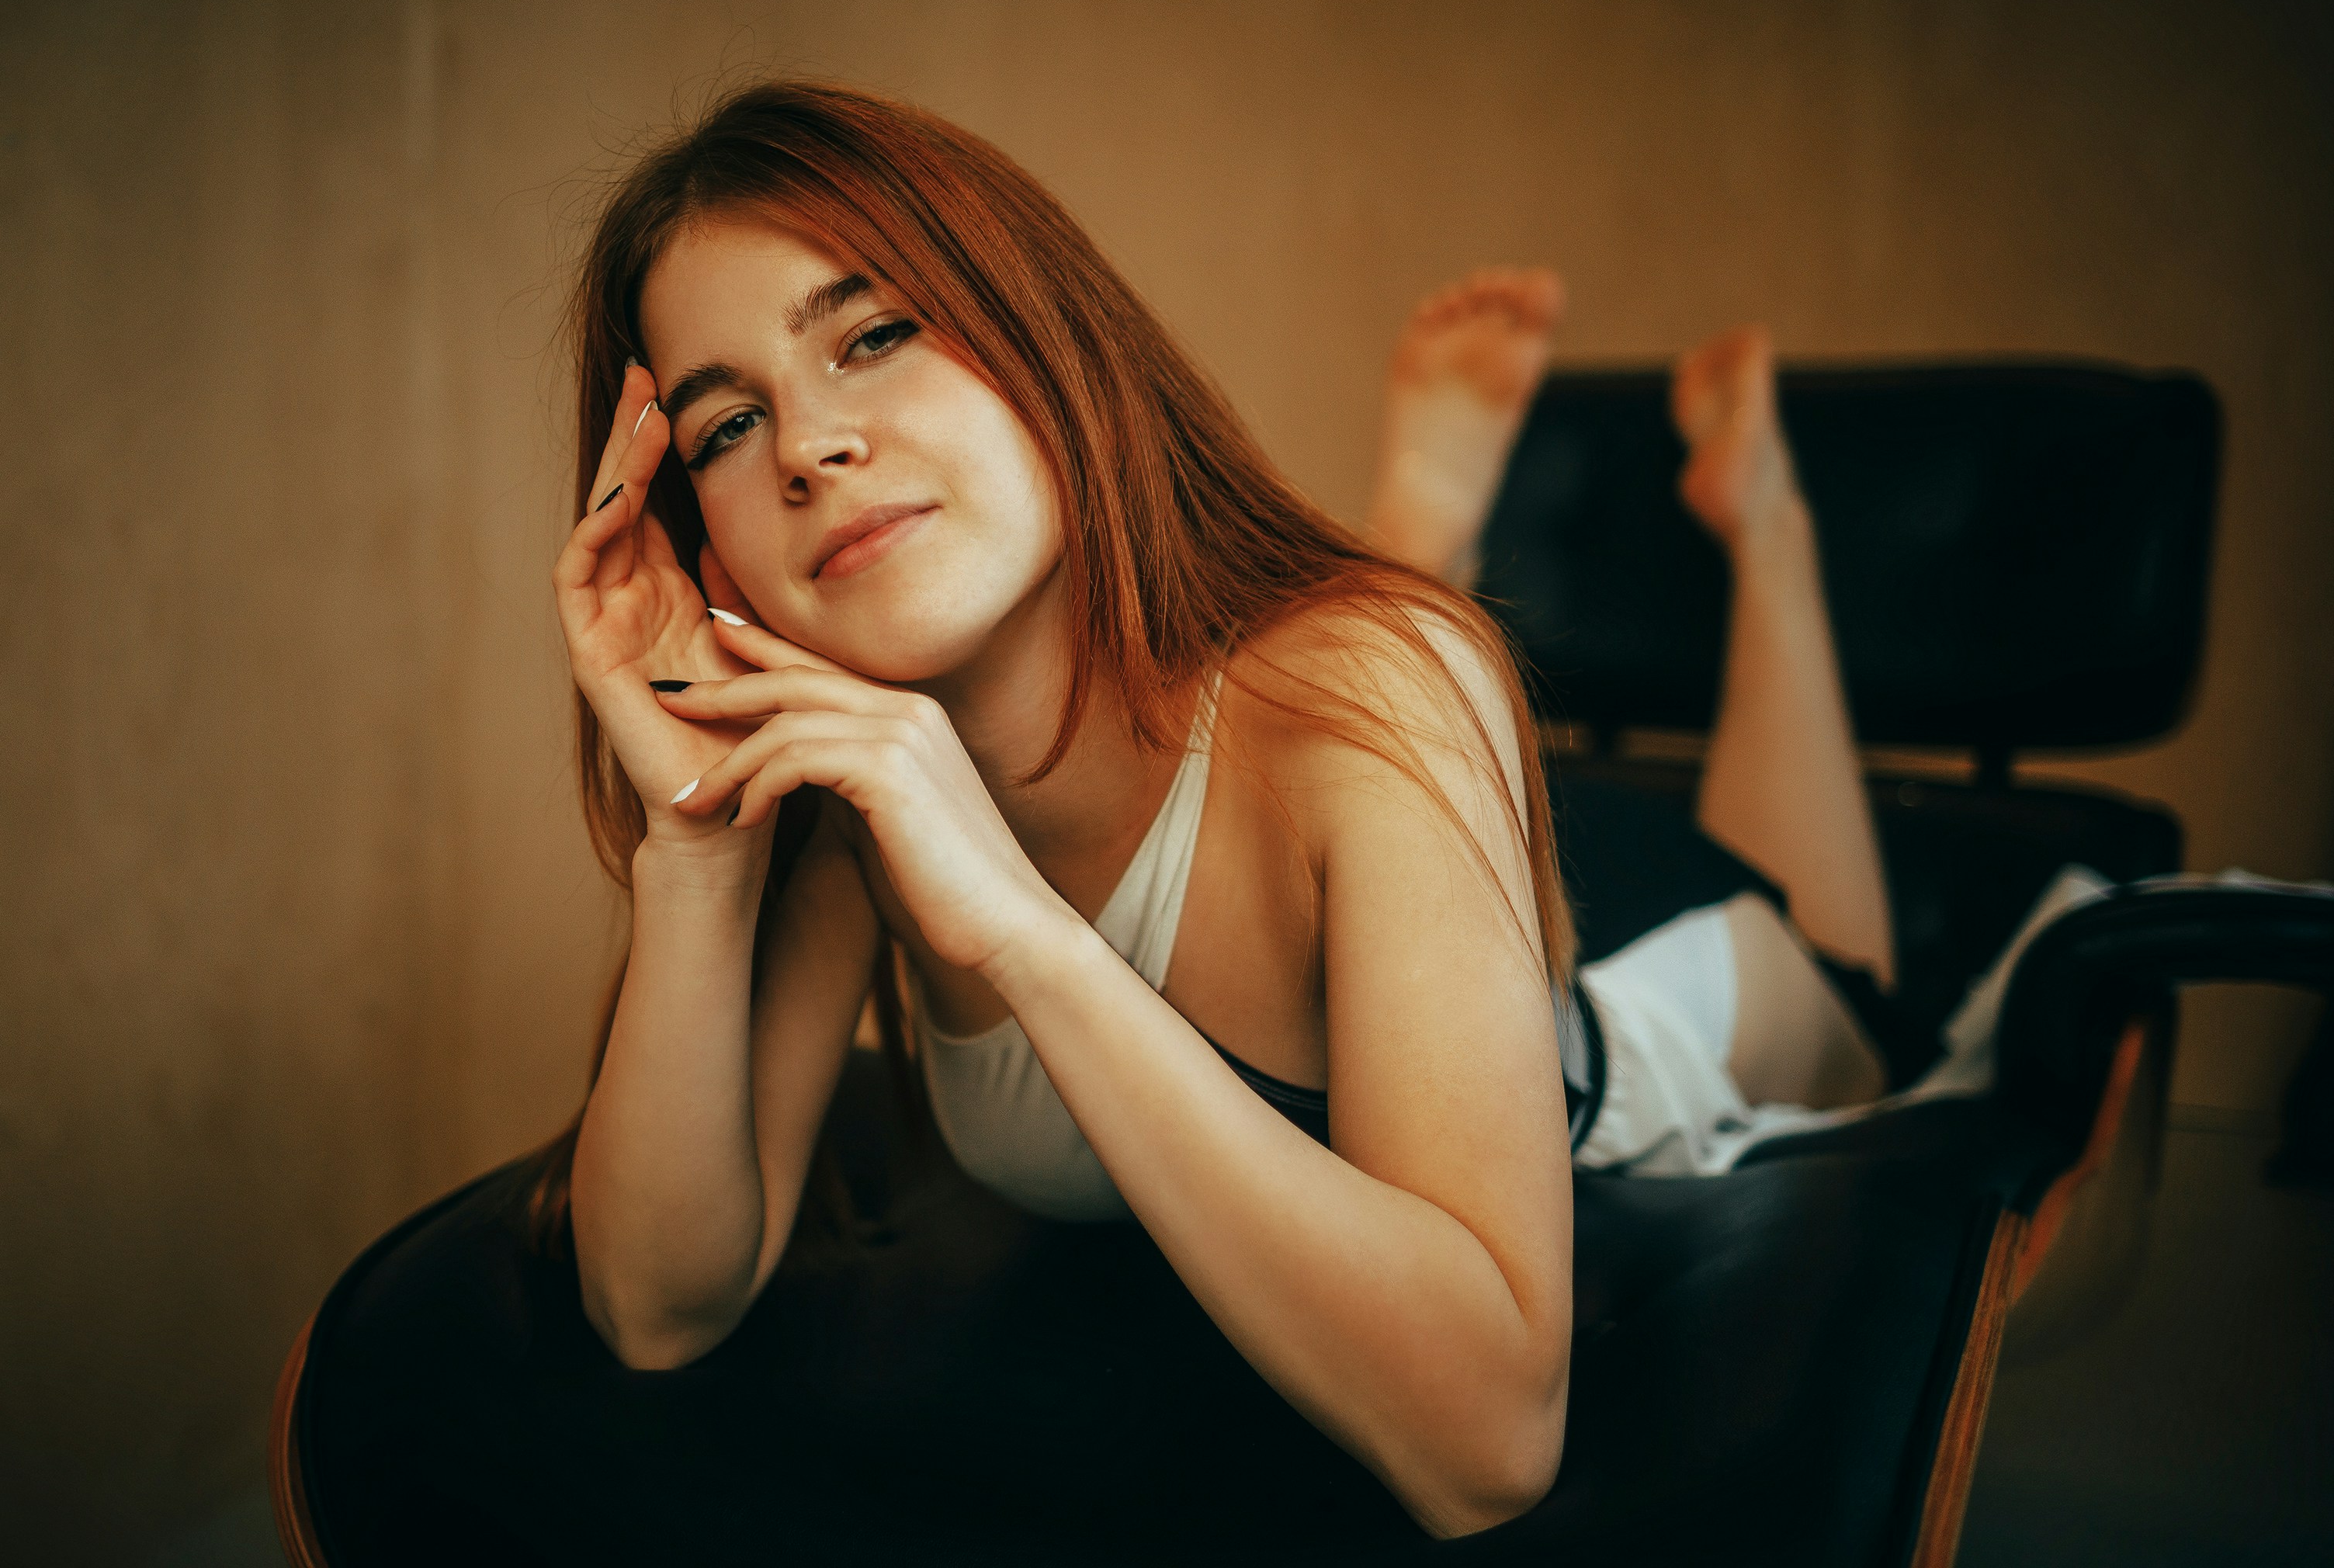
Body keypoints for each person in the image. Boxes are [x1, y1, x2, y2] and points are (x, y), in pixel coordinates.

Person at [539, 80, 1907, 1539]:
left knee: (1840, 977)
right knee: (1373, 688)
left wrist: (1020, 929)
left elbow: (1489, 1445)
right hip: (1372, 817)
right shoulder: (847, 813)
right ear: (707, 544)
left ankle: (1768, 530)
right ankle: (1435, 524)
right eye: (729, 425)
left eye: (874, 336)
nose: (807, 445)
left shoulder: (1370, 683)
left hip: (1670, 1031)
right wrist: (693, 836)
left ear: (1045, 338)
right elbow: (656, 1309)